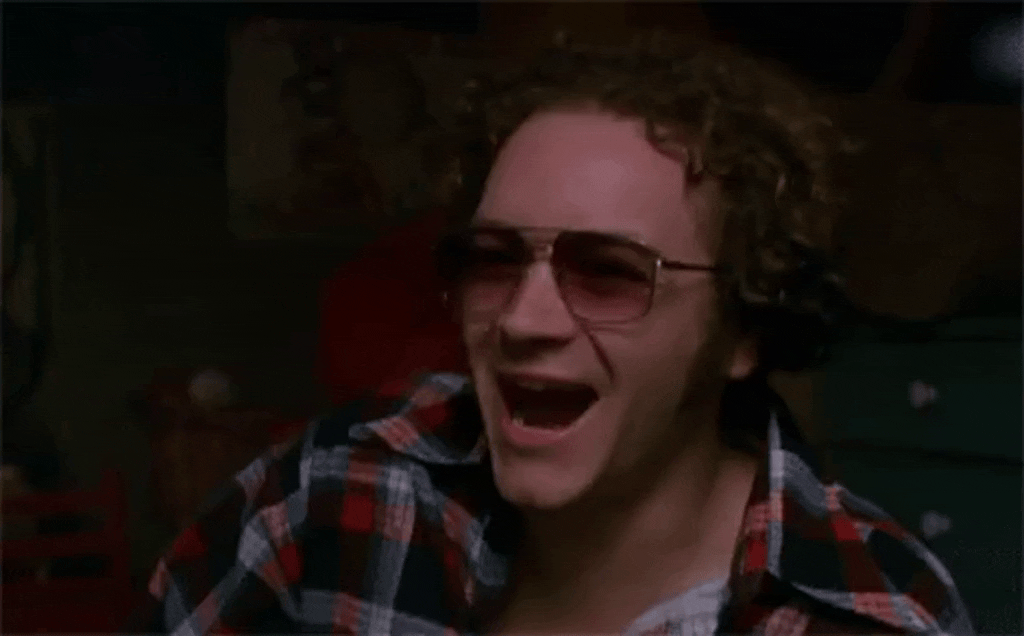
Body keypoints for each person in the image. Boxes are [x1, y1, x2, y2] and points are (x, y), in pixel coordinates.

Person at [128, 34, 974, 635]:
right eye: (494, 260)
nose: (523, 321)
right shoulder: (345, 490)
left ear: (744, 329)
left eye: (608, 273)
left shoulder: (858, 616)